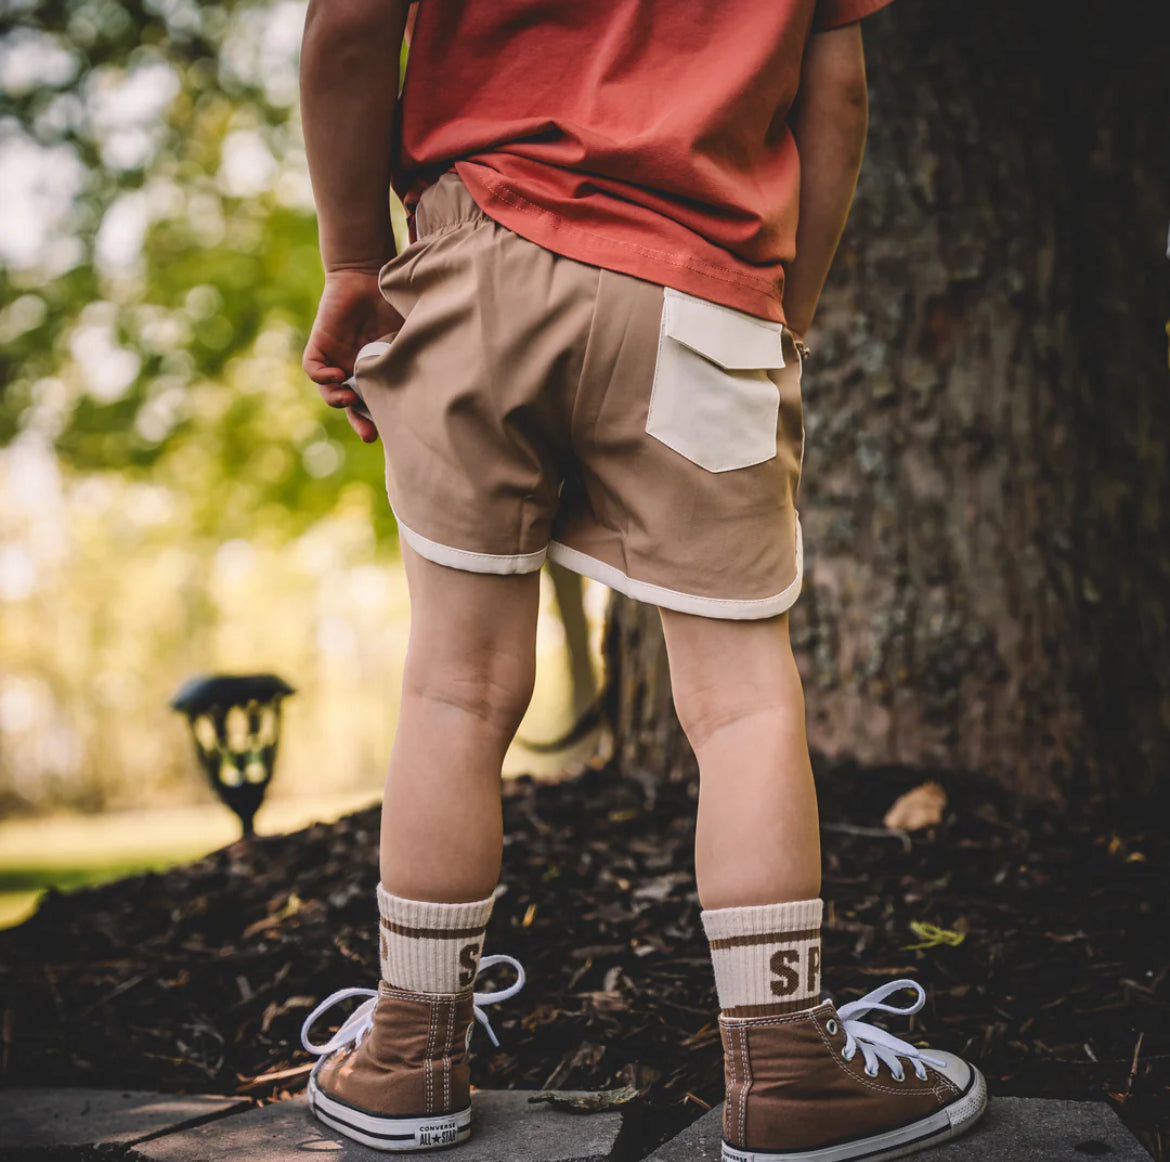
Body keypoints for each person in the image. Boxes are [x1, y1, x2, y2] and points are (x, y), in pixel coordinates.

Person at [296, 1, 989, 1158]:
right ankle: (786, 1069)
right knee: (742, 700)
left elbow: (348, 29)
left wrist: (351, 261)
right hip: (702, 284)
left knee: (455, 687)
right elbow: (839, 94)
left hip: (473, 263)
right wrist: (788, 316)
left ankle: (412, 1054)